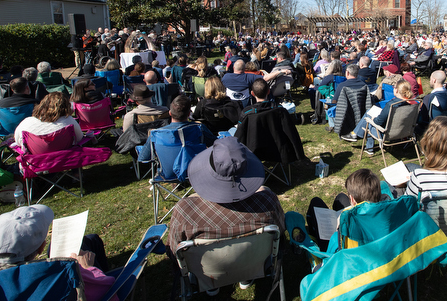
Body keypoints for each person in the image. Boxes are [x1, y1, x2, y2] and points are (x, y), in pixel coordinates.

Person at [167, 137, 285, 296]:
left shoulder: (185, 211)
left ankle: (211, 284)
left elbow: (174, 251)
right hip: (255, 264)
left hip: (206, 272)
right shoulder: (267, 202)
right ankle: (247, 275)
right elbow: (281, 233)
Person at [0, 205, 116, 301]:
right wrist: (88, 268)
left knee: (91, 240)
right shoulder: (67, 274)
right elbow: (111, 292)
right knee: (91, 241)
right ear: (41, 247)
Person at [305, 169, 382, 252]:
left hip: (340, 250)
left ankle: (314, 238)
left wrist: (338, 230)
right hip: (373, 245)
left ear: (352, 199)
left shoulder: (348, 223)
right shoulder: (385, 214)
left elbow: (336, 248)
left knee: (315, 202)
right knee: (341, 197)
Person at [405, 117, 447, 204]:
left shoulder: (419, 177)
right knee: (410, 167)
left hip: (429, 217)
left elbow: (407, 206)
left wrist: (411, 181)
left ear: (431, 144)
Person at [137, 95, 216, 162]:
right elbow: (216, 145)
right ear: (189, 114)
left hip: (167, 173)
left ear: (170, 113)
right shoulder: (199, 129)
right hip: (194, 170)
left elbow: (143, 158)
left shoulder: (156, 134)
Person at [352, 80, 417, 156]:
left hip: (386, 134)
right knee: (370, 111)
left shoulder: (392, 105)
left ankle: (361, 139)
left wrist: (373, 119)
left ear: (396, 90)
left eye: (394, 87)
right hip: (404, 132)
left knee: (369, 117)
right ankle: (357, 135)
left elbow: (378, 122)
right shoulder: (413, 104)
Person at [14, 92, 83, 147]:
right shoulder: (68, 121)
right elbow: (79, 137)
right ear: (66, 106)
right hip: (64, 158)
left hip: (36, 160)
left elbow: (18, 141)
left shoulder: (27, 122)